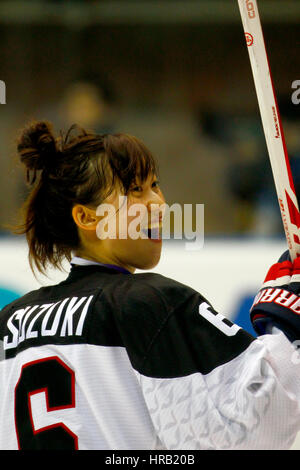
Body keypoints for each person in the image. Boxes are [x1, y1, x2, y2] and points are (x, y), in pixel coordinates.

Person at [1, 120, 300, 451]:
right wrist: (286, 328)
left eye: (154, 185)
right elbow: (249, 436)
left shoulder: (10, 320)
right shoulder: (151, 304)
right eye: (135, 191)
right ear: (86, 218)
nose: (158, 204)